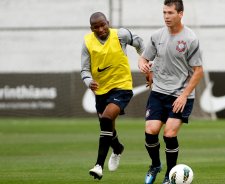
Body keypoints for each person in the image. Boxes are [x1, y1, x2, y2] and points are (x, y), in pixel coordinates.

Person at [138, 0, 204, 183]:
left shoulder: (190, 39)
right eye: (164, 13)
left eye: (170, 13)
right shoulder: (157, 35)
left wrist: (184, 96)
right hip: (158, 92)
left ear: (180, 14)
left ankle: (169, 175)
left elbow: (199, 71)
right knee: (150, 131)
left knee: (169, 134)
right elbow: (143, 58)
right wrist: (144, 67)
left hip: (180, 95)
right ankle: (155, 165)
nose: (166, 17)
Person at [81, 12, 145, 180]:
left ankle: (98, 166)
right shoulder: (87, 42)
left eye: (103, 25)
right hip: (101, 90)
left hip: (122, 86)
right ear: (91, 28)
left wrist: (146, 62)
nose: (101, 29)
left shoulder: (121, 35)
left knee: (107, 118)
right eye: (96, 27)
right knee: (107, 127)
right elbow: (85, 69)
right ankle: (117, 149)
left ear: (108, 22)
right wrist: (88, 81)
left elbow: (140, 43)